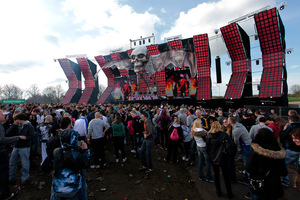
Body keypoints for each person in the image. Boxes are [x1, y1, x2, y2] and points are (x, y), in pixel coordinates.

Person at [51, 117, 90, 200]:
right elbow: (86, 164)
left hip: (58, 187)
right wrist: (85, 150)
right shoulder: (77, 154)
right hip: (73, 188)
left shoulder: (57, 151)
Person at [245, 128, 287, 200]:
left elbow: (248, 168)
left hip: (258, 182)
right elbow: (283, 172)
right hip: (274, 184)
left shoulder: (255, 152)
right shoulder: (278, 152)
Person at [0, 110, 26, 199]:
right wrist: (17, 137)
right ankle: (6, 194)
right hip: (2, 152)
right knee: (3, 173)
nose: (5, 116)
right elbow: (2, 139)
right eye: (2, 115)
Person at [206, 121, 234, 198]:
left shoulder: (209, 136)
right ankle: (229, 193)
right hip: (223, 157)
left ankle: (218, 191)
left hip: (214, 158)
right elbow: (231, 144)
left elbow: (207, 148)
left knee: (216, 175)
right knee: (226, 176)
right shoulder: (224, 135)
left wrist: (211, 155)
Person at [6, 113, 34, 184]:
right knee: (12, 162)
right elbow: (8, 133)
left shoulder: (29, 126)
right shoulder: (16, 125)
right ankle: (11, 177)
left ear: (20, 119)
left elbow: (31, 136)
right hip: (16, 146)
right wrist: (13, 125)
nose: (15, 120)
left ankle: (25, 178)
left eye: (16, 119)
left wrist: (26, 138)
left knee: (25, 163)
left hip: (25, 146)